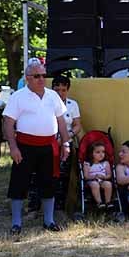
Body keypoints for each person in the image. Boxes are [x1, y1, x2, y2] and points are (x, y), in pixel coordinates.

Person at [2, 59, 70, 234]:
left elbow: (61, 121)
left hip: (49, 145)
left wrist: (66, 143)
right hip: (25, 145)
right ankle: (16, 223)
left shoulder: (52, 95)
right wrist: (13, 147)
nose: (41, 79)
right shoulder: (18, 96)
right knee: (19, 183)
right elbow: (8, 123)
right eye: (36, 76)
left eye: (43, 75)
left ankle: (49, 221)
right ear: (27, 78)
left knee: (49, 182)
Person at [49, 75, 81, 211]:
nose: (60, 93)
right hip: (48, 141)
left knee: (63, 175)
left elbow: (77, 125)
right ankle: (35, 207)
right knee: (43, 174)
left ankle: (60, 206)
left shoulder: (72, 105)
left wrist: (67, 137)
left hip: (66, 142)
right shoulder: (46, 103)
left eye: (63, 90)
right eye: (57, 90)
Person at [82, 142, 113, 210]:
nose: (101, 154)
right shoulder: (87, 164)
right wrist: (94, 177)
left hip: (102, 180)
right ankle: (99, 202)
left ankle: (108, 202)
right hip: (92, 180)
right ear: (91, 153)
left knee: (108, 184)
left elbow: (109, 175)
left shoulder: (105, 163)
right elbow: (86, 176)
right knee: (94, 184)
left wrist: (104, 177)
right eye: (98, 152)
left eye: (103, 152)